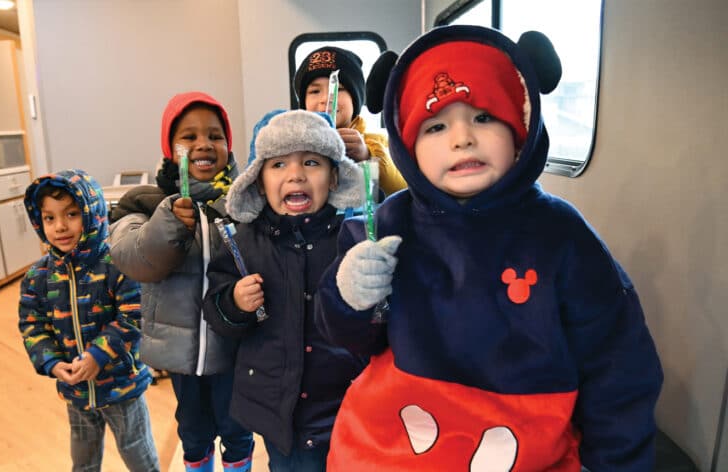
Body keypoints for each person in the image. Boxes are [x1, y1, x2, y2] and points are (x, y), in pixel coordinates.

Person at [315, 25, 663, 471]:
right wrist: (348, 297)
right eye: (436, 125)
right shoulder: (384, 223)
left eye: (483, 117)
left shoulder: (562, 235)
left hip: (526, 442)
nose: (462, 138)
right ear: (406, 144)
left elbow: (620, 369)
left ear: (520, 130)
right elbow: (347, 339)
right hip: (392, 441)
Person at [202, 109, 367, 471]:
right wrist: (234, 302)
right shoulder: (241, 243)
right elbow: (215, 312)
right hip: (278, 413)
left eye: (311, 162)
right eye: (278, 165)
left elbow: (379, 322)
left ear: (335, 177)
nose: (295, 175)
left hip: (349, 404)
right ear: (259, 182)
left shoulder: (353, 240)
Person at [109, 92, 254, 472]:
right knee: (193, 432)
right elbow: (132, 258)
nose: (204, 143)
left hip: (236, 348)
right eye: (188, 136)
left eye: (215, 135)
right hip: (178, 352)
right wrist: (170, 223)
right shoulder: (143, 201)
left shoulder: (247, 202)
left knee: (238, 430)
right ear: (170, 147)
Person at [18, 169, 159, 471]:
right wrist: (52, 362)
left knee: (138, 454)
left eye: (71, 214)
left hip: (122, 387)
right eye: (50, 218)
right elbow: (33, 326)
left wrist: (99, 355)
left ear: (91, 212)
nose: (60, 226)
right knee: (82, 459)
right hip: (76, 391)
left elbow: (135, 315)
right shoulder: (37, 277)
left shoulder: (117, 263)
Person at [295, 45, 406, 196]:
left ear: (356, 100)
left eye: (338, 89)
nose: (326, 99)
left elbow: (400, 189)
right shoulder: (295, 147)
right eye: (315, 91)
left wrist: (367, 158)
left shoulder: (378, 144)